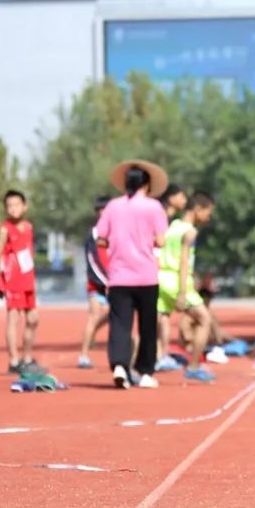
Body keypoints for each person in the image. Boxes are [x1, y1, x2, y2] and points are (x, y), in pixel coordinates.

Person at [96, 159, 169, 389]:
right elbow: (161, 239)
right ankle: (145, 371)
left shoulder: (113, 207)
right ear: (146, 185)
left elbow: (100, 237)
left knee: (120, 324)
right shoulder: (154, 207)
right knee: (147, 325)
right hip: (146, 275)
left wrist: (115, 242)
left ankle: (119, 365)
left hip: (119, 277)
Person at [157, 191, 218, 383]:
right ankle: (193, 367)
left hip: (161, 278)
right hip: (176, 280)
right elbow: (184, 262)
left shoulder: (174, 225)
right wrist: (183, 292)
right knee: (204, 320)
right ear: (197, 209)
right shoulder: (190, 232)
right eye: (207, 213)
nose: (208, 218)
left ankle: (149, 361)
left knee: (158, 321)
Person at [0, 190, 42, 374]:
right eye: (9, 206)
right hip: (12, 279)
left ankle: (27, 358)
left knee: (33, 319)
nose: (13, 209)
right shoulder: (5, 229)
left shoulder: (29, 227)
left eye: (16, 204)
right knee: (13, 318)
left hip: (28, 279)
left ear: (24, 206)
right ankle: (14, 361)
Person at [154, 184, 188, 373]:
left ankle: (161, 355)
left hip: (160, 271)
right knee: (159, 317)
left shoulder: (169, 218)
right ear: (172, 197)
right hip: (158, 271)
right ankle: (159, 355)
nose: (184, 200)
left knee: (161, 317)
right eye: (182, 196)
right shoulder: (160, 216)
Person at [78, 194, 111, 370]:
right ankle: (83, 355)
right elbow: (94, 260)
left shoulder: (115, 232)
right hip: (97, 284)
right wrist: (105, 280)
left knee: (115, 315)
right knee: (93, 316)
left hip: (114, 283)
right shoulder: (94, 234)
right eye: (101, 210)